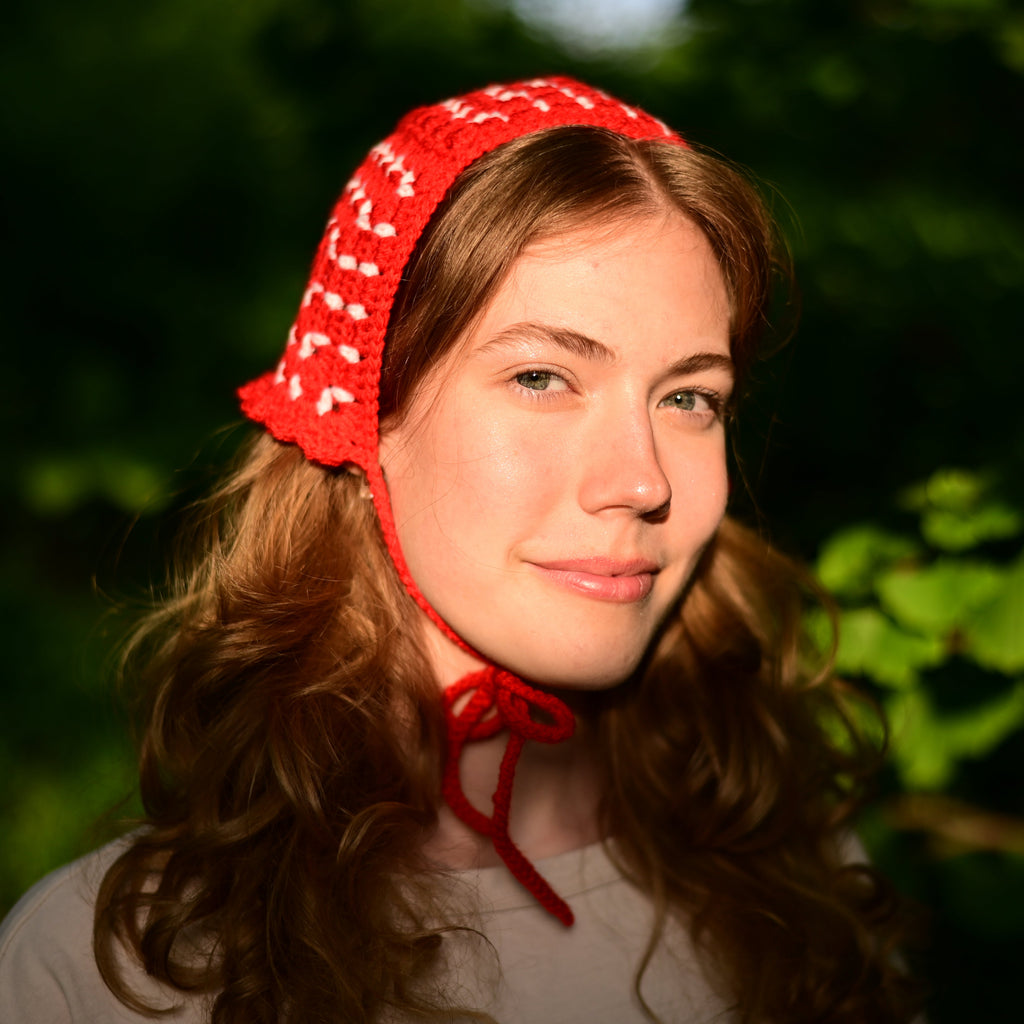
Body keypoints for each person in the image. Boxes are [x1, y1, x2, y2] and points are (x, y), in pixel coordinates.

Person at [0, 76, 922, 1023]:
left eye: (689, 397)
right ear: (364, 418)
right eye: (542, 378)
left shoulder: (799, 881)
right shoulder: (120, 971)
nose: (644, 480)